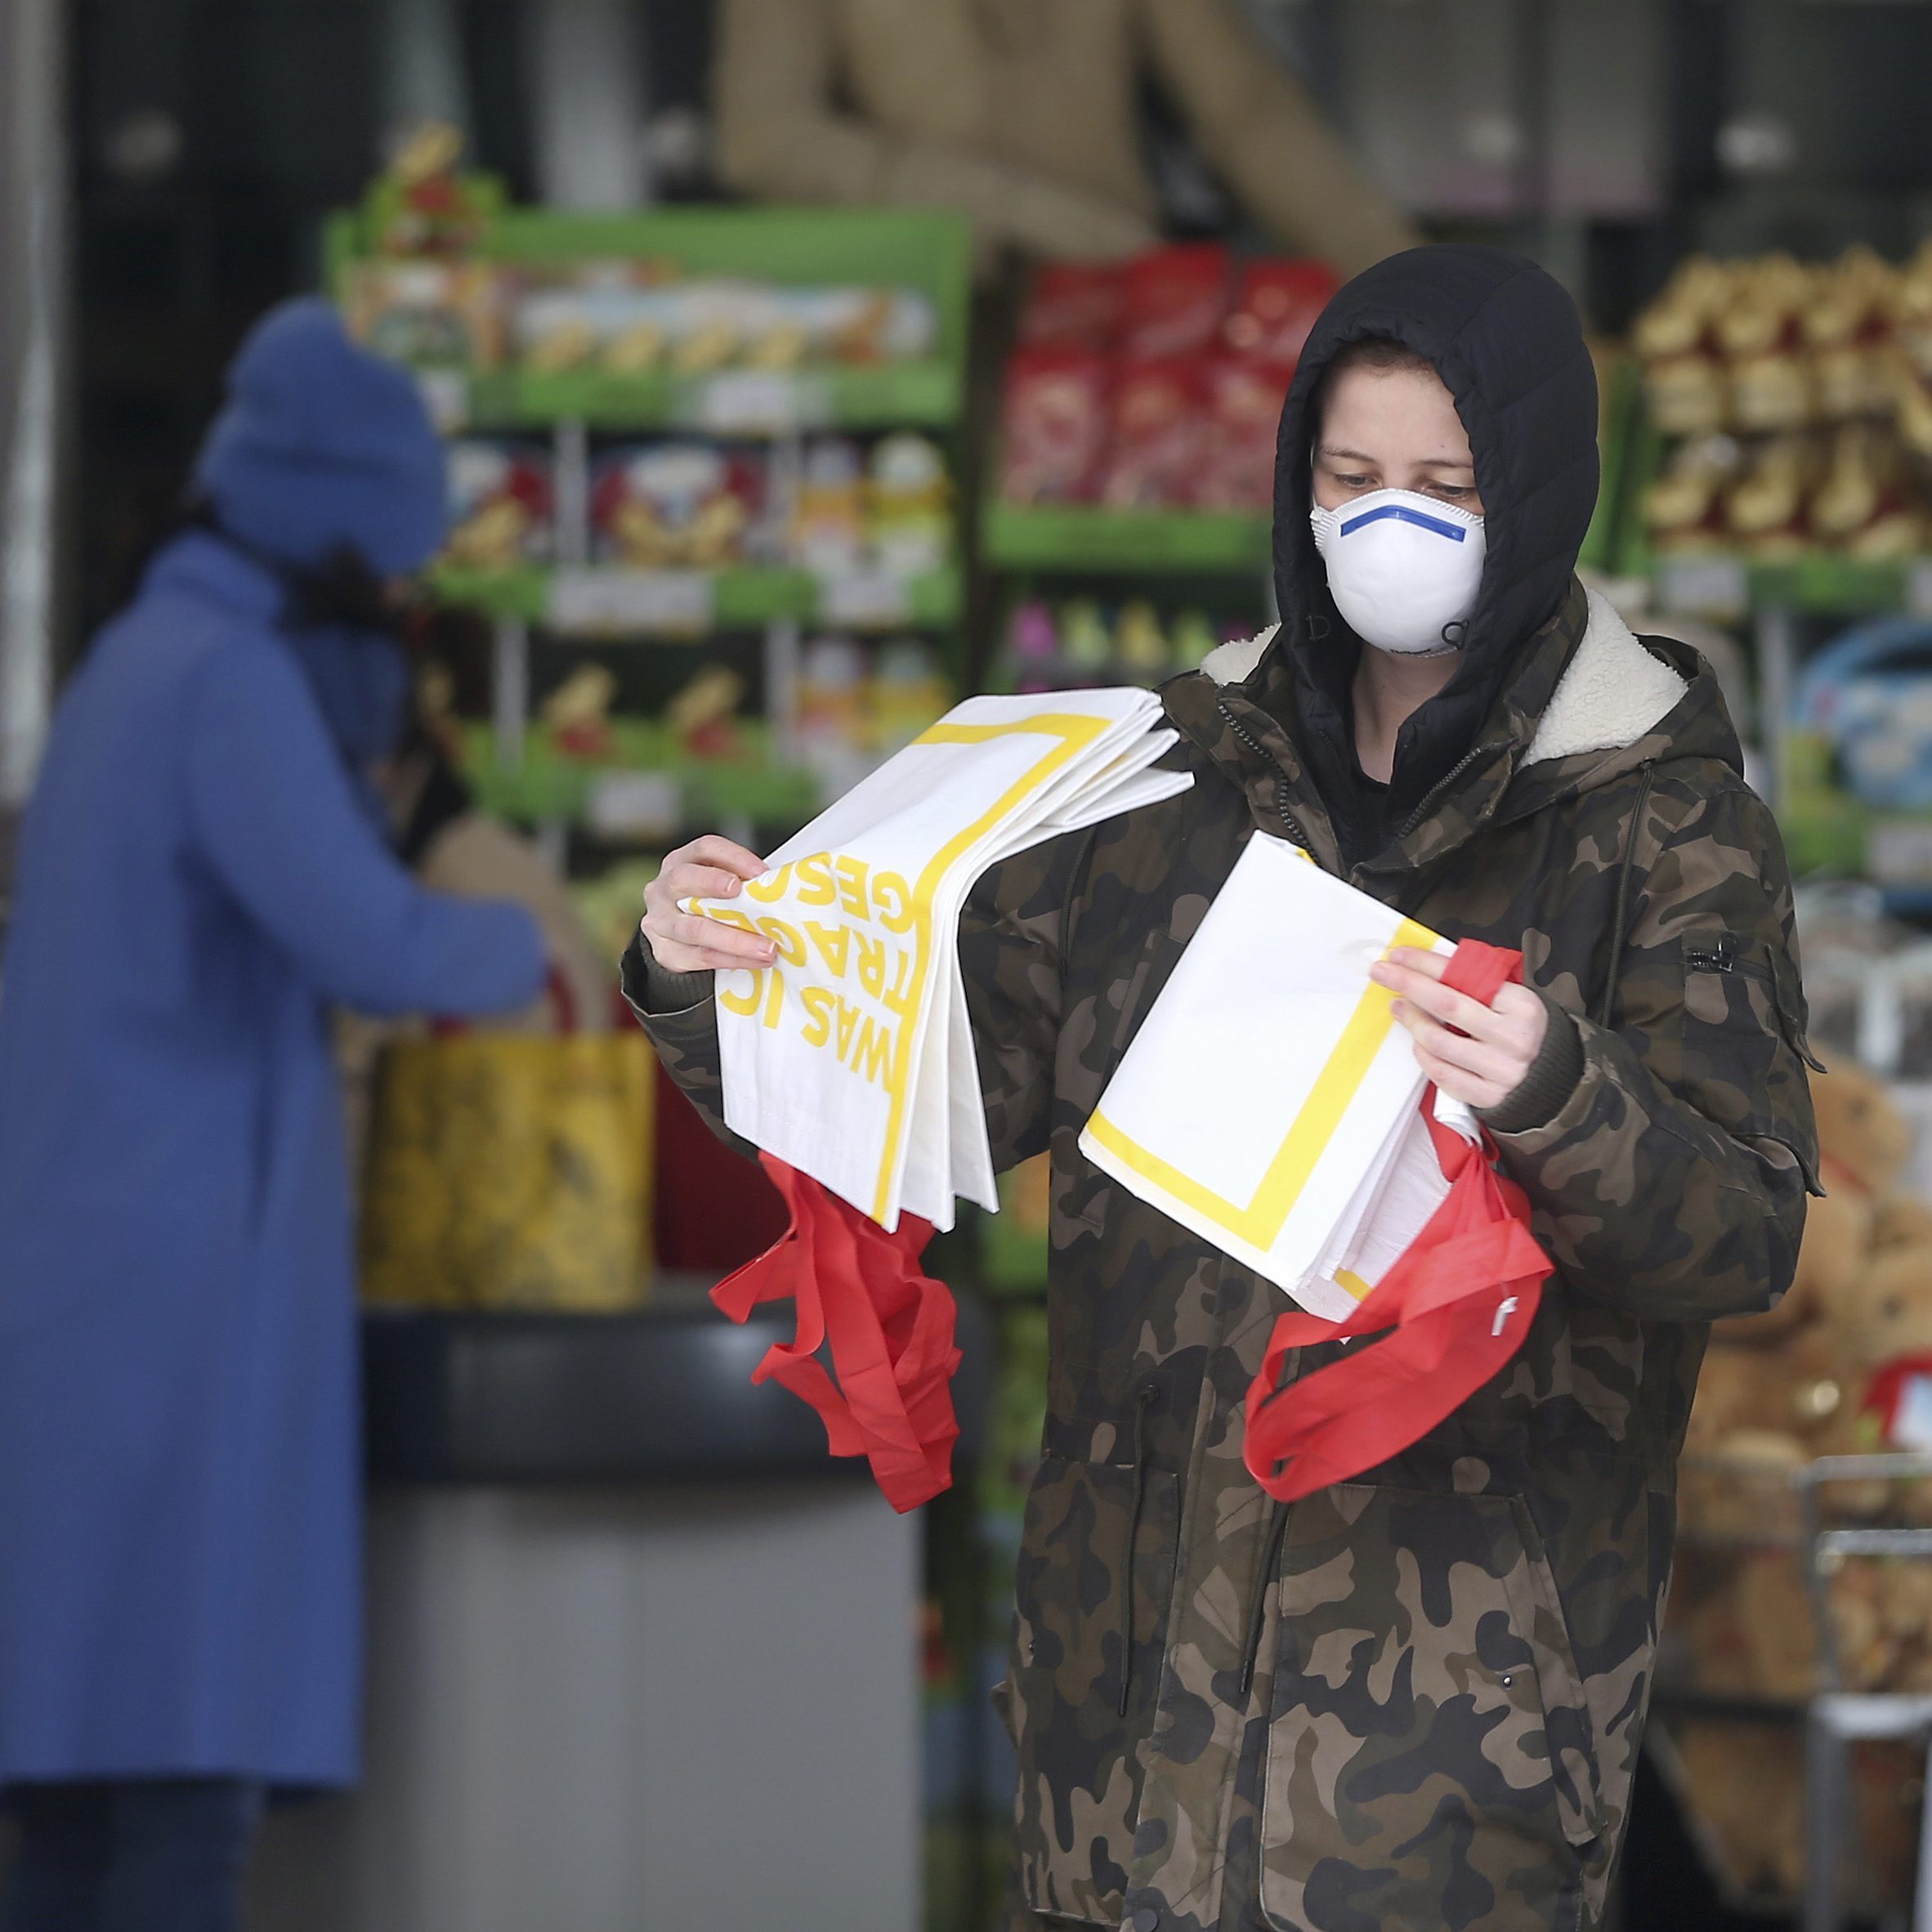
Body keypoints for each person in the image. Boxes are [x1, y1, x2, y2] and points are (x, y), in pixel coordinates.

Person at [628, 246, 1818, 1931]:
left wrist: (1559, 1091)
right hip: (1122, 1722)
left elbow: (1743, 1229)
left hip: (1443, 1753)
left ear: (1539, 493)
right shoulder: (1165, 778)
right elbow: (944, 1087)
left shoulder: (1663, 829)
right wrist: (723, 980)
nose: (1386, 524)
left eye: (1443, 485)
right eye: (1349, 479)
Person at [0, 299, 548, 1930]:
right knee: (182, 1808)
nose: (396, 613)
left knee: (79, 1809)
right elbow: (368, 934)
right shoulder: (229, 684)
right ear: (339, 532)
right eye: (395, 571)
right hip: (178, 1307)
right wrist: (556, 938)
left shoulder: (134, 663)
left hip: (92, 1290)